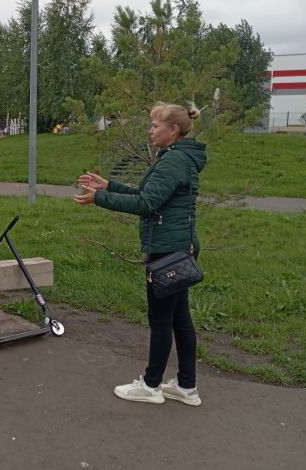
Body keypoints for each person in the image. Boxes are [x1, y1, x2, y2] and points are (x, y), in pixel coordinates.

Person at [73, 102, 207, 406]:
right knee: (180, 319)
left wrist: (100, 198)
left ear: (172, 130)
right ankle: (187, 387)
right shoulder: (178, 157)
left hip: (167, 250)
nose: (150, 131)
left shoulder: (173, 161)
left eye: (155, 125)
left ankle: (150, 386)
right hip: (178, 247)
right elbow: (149, 195)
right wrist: (109, 185)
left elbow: (146, 204)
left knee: (162, 320)